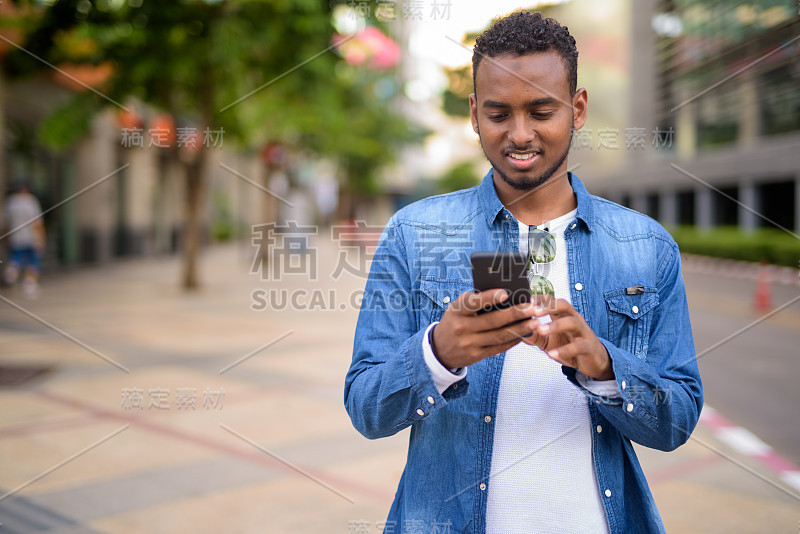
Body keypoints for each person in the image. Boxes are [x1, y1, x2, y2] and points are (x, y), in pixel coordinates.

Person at [344, 11, 702, 534]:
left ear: (577, 109)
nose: (520, 134)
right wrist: (438, 353)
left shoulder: (646, 247)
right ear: (472, 113)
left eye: (541, 111)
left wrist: (602, 365)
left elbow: (678, 419)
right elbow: (366, 407)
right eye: (497, 114)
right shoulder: (414, 233)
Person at [3, 182, 45, 296]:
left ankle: (11, 271)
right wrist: (41, 238)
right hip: (31, 236)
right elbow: (37, 222)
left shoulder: (11, 202)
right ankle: (30, 284)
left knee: (16, 257)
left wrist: (7, 235)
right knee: (33, 261)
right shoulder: (31, 201)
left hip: (16, 236)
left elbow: (6, 222)